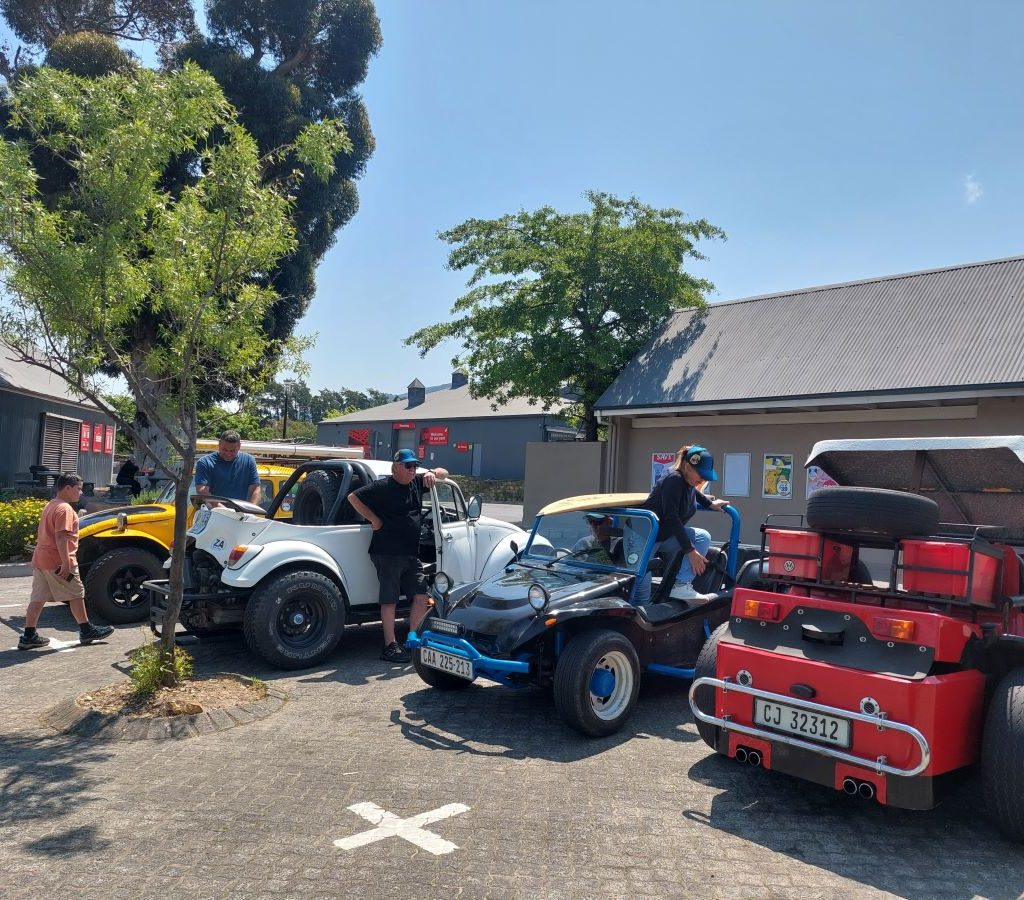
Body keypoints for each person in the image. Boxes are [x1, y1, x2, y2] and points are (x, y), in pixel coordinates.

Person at [347, 449, 449, 664]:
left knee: (421, 595)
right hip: (387, 552)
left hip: (411, 554)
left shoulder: (417, 482)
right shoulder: (382, 486)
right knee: (390, 599)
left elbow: (445, 472)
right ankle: (390, 645)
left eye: (415, 466)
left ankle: (413, 639)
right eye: (408, 466)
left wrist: (431, 472)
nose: (413, 470)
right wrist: (374, 519)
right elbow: (353, 498)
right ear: (396, 467)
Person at [18, 472, 115, 650]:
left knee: (38, 598)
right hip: (57, 561)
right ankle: (86, 630)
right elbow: (61, 536)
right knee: (76, 593)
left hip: (42, 559)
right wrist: (66, 561)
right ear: (68, 488)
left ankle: (28, 635)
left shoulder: (51, 505)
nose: (81, 493)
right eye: (79, 489)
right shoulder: (65, 509)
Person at [638, 445, 731, 603]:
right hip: (643, 537)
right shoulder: (674, 479)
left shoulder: (688, 482)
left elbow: (695, 493)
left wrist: (710, 504)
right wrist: (691, 551)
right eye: (701, 475)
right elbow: (671, 518)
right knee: (640, 591)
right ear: (687, 466)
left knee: (702, 537)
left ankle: (681, 586)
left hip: (662, 536)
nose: (703, 480)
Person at [194, 430, 261, 504]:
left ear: (239, 446)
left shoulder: (249, 461)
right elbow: (202, 491)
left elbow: (256, 490)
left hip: (240, 510)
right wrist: (222, 508)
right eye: (224, 450)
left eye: (232, 451)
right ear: (219, 444)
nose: (228, 454)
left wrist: (251, 509)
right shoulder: (205, 462)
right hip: (213, 510)